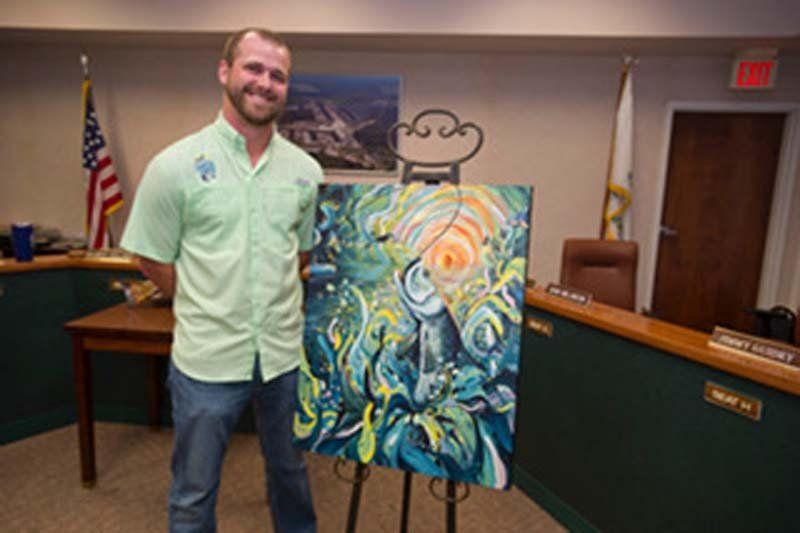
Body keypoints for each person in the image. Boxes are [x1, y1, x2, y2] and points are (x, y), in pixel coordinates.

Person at [121, 27, 322, 533]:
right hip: (206, 361)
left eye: (278, 75)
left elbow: (299, 254)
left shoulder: (306, 171)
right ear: (224, 71)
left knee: (291, 477)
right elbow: (152, 258)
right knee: (193, 495)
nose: (265, 83)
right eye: (253, 68)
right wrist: (201, 300)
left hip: (283, 358)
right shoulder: (174, 166)